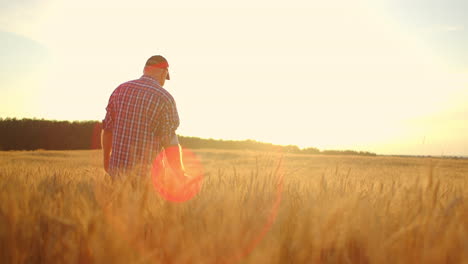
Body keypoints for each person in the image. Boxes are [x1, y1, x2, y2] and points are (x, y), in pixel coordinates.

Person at [101, 55, 186, 179]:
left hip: (117, 175)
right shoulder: (165, 98)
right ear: (164, 73)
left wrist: (107, 163)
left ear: (145, 70)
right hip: (148, 179)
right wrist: (180, 175)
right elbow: (170, 142)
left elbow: (107, 130)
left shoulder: (119, 90)